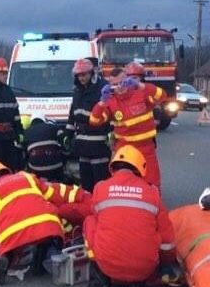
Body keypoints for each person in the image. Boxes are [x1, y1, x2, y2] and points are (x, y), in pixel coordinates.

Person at [0, 160, 89, 285]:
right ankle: (46, 259)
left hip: (12, 231)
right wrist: (79, 195)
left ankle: (7, 257)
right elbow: (51, 193)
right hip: (45, 222)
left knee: (11, 242)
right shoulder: (26, 177)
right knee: (49, 239)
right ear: (6, 170)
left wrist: (8, 246)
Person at [83, 145, 176, 287]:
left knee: (90, 220)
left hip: (107, 266)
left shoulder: (100, 188)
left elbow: (97, 216)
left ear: (112, 168)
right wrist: (165, 264)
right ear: (141, 168)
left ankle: (98, 273)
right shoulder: (152, 192)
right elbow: (167, 238)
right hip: (144, 268)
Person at [89, 64, 167, 187]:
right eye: (114, 85)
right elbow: (94, 120)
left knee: (151, 183)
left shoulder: (141, 93)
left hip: (145, 147)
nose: (119, 87)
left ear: (127, 80)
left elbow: (162, 96)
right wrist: (101, 102)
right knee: (122, 184)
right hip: (123, 148)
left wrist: (140, 85)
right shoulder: (110, 101)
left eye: (122, 82)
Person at [66, 58, 110, 192]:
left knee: (100, 181)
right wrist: (67, 133)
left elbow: (109, 113)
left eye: (84, 74)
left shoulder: (102, 88)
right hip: (82, 144)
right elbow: (73, 114)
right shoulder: (77, 90)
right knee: (85, 181)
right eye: (78, 75)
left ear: (91, 73)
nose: (81, 78)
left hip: (98, 143)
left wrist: (111, 133)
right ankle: (88, 209)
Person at [22, 112, 65, 182]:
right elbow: (64, 144)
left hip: (36, 168)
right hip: (56, 165)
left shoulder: (26, 132)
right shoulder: (54, 127)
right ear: (44, 120)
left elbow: (25, 154)